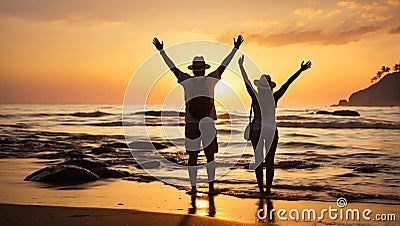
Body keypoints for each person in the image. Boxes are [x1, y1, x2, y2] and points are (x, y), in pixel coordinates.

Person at [152, 35, 243, 195]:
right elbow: (224, 65)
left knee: (192, 157)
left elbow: (171, 67)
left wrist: (161, 51)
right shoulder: (211, 79)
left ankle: (193, 188)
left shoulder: (186, 79)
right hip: (208, 122)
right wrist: (235, 49)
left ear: (193, 69)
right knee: (210, 157)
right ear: (205, 69)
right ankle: (211, 188)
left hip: (191, 123)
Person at [239, 55, 312, 194]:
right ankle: (267, 190)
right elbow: (287, 83)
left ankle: (261, 190)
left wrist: (241, 66)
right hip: (271, 131)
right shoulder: (274, 97)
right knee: (270, 161)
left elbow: (246, 81)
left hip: (257, 131)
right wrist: (300, 70)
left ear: (259, 87)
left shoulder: (255, 96)